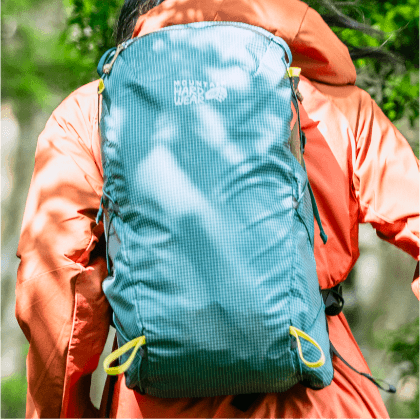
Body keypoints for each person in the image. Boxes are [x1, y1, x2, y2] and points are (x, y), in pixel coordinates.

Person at [16, 0, 420, 417]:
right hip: (321, 392)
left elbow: (57, 286)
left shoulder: (91, 112)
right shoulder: (338, 105)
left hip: (157, 402)